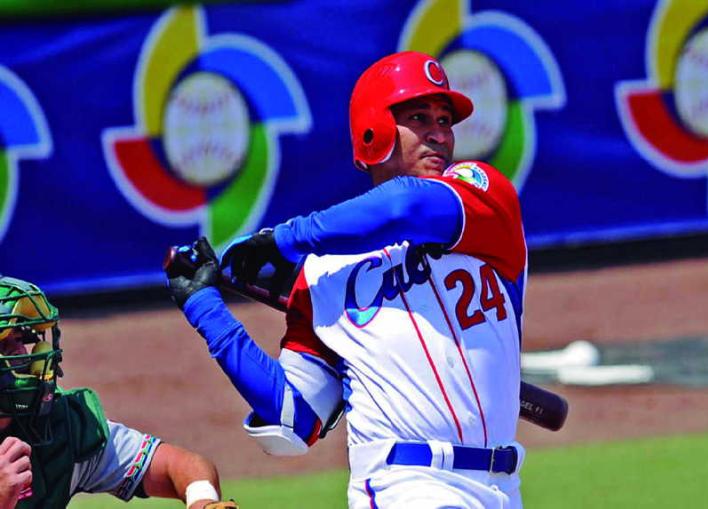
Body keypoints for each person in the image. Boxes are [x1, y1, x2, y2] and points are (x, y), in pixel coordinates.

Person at [168, 51, 527, 508]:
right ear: (373, 131)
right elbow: (292, 421)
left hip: (501, 489)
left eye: (445, 119)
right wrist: (206, 310)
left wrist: (286, 239)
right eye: (419, 117)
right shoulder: (322, 274)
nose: (439, 132)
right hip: (405, 486)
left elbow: (404, 206)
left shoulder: (483, 195)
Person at [0, 276, 237, 509]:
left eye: (20, 339)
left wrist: (203, 500)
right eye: (3, 345)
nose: (22, 354)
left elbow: (180, 465)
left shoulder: (62, 425)